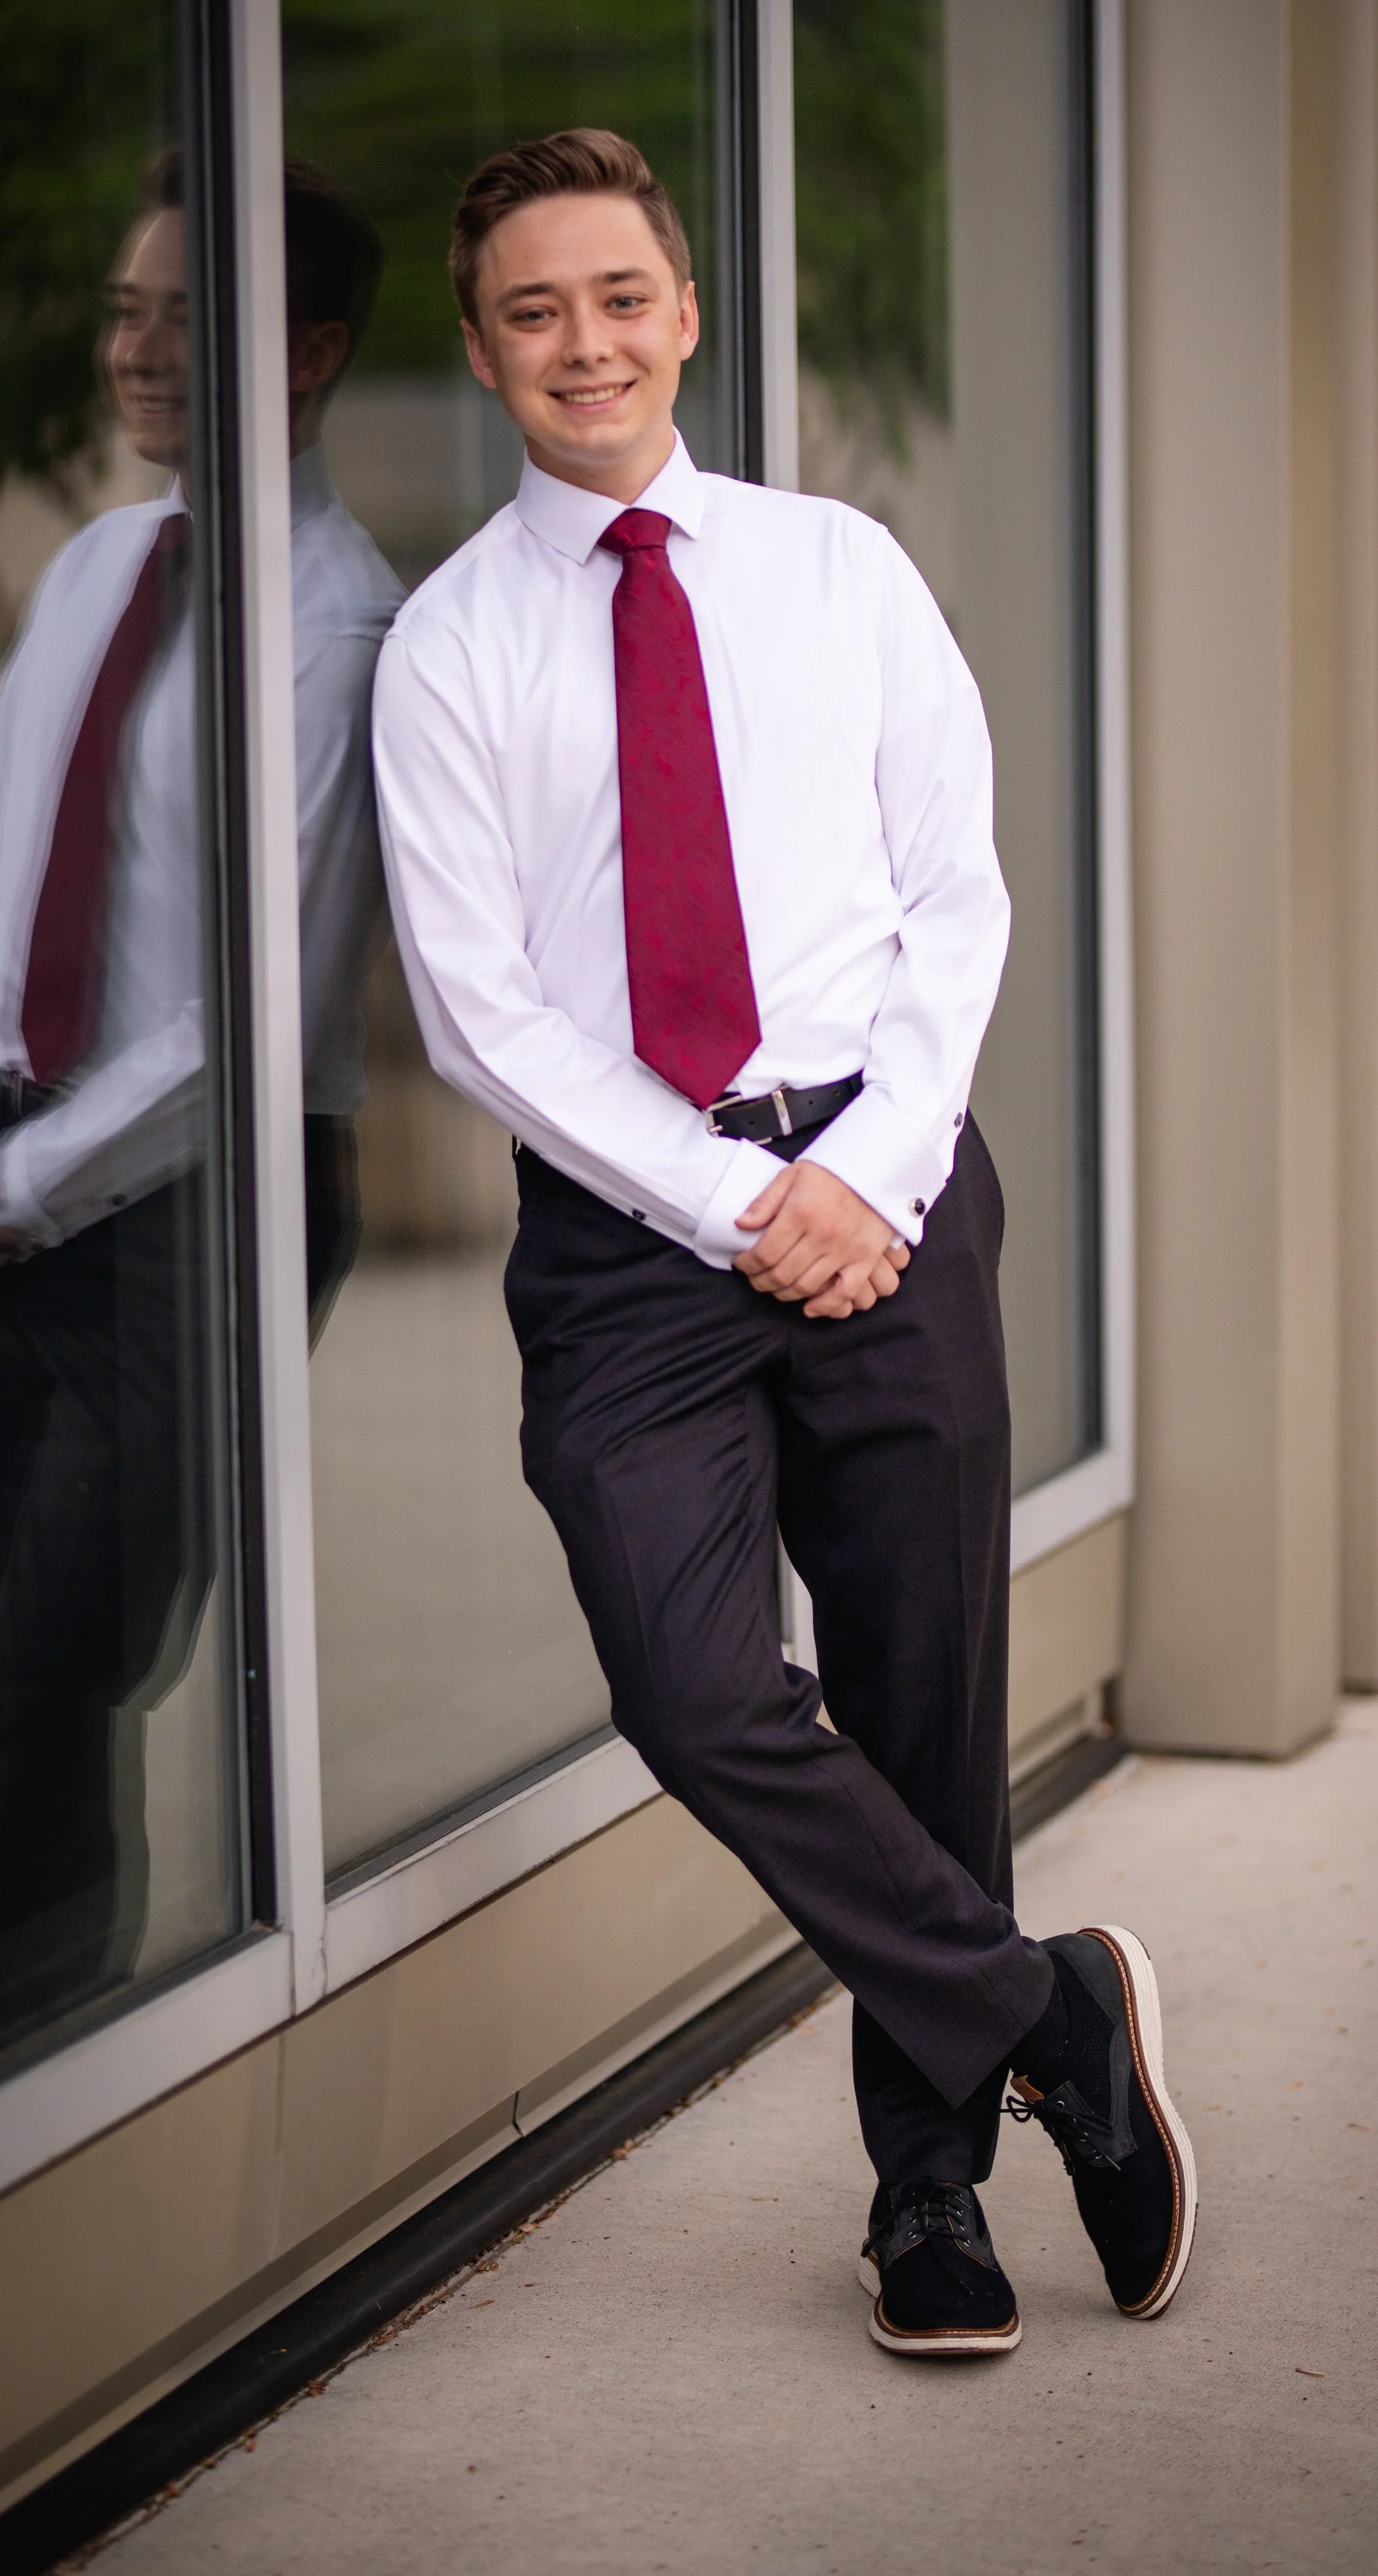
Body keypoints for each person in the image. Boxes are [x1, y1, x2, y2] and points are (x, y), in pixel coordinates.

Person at [371, 127, 1197, 2355]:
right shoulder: (449, 646)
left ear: (686, 313)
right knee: (695, 1678)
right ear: (481, 347)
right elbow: (479, 1008)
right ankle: (1046, 2012)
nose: (582, 343)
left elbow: (962, 888)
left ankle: (926, 2203)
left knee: (924, 1706)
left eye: (617, 295)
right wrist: (744, 1199)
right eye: (532, 309)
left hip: (893, 1189)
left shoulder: (834, 567)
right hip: (637, 1242)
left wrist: (875, 1173)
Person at [0, 154, 402, 2132]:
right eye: (126, 308)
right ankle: (60, 2088)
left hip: (193, 1221)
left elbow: (246, 1008)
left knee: (65, 1669)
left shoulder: (336, 631)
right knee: (23, 1685)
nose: (138, 349)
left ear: (309, 356)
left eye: (190, 316)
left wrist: (23, 1180)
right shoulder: (92, 570)